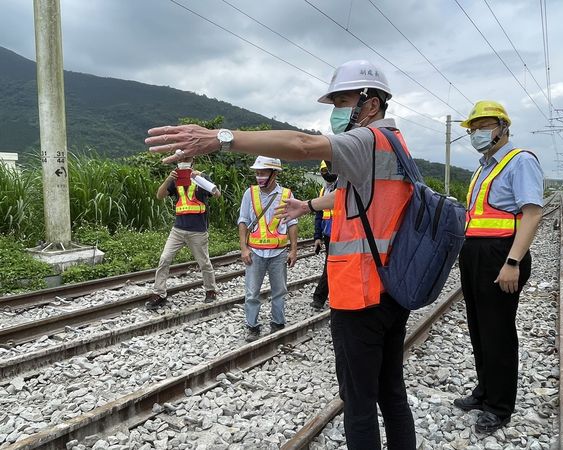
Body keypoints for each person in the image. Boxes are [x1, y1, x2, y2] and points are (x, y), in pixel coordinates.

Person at [146, 59, 417, 449]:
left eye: (342, 101)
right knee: (391, 390)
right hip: (391, 288)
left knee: (358, 402)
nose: (337, 113)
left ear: (369, 103)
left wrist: (221, 138)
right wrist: (308, 206)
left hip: (360, 293)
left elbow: (302, 145)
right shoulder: (396, 144)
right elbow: (351, 196)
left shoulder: (367, 140)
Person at [454, 100, 543, 433]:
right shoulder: (482, 168)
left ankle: (500, 406)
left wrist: (512, 262)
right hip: (475, 252)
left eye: (485, 125)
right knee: (479, 328)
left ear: (503, 127)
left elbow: (532, 214)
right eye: (474, 128)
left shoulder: (519, 161)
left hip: (501, 254)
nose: (478, 132)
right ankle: (484, 391)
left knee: (498, 332)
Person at [237, 156, 298, 342]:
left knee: (279, 291)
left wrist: (293, 249)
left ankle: (277, 324)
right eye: (257, 173)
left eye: (262, 173)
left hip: (278, 253)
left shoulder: (286, 195)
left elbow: (292, 222)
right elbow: (243, 221)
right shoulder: (250, 193)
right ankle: (252, 326)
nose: (259, 177)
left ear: (274, 173)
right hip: (255, 252)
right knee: (252, 292)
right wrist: (243, 248)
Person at [147, 156, 220, 309]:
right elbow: (159, 195)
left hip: (198, 231)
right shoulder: (175, 179)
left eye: (187, 159)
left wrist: (201, 179)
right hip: (178, 229)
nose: (183, 162)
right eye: (181, 159)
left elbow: (217, 194)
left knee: (204, 263)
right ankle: (159, 293)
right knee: (164, 258)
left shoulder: (201, 177)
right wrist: (168, 179)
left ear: (193, 161)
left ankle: (211, 291)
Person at [311, 160, 337, 309]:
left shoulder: (342, 187)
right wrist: (317, 237)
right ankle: (321, 297)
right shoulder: (323, 191)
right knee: (331, 264)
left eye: (329, 170)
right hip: (328, 234)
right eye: (323, 171)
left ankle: (319, 297)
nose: (326, 173)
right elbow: (319, 216)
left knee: (331, 264)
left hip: (342, 234)